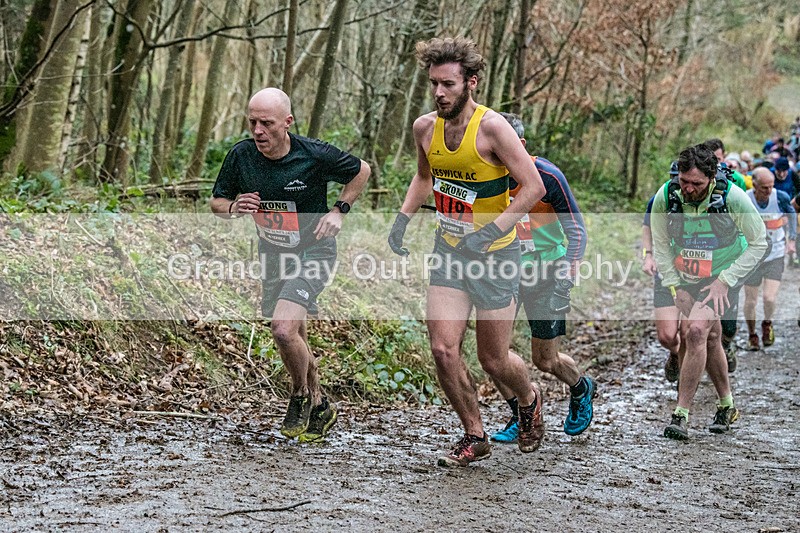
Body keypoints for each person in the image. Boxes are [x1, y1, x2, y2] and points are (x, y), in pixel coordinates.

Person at [387, 37, 547, 467]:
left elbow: (534, 187)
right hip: (450, 252)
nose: (439, 93)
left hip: (496, 255)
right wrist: (403, 218)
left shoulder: (495, 129)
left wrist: (492, 229)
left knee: (494, 359)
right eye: (434, 84)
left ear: (471, 83)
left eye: (448, 84)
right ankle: (474, 434)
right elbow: (424, 178)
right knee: (443, 348)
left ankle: (529, 397)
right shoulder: (425, 128)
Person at [210, 88, 371, 443]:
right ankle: (321, 404)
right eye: (252, 122)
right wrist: (235, 207)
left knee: (283, 329)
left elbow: (362, 170)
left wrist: (338, 211)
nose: (258, 131)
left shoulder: (312, 154)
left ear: (287, 122)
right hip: (273, 256)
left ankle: (298, 395)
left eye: (266, 123)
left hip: (315, 251)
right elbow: (217, 202)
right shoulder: (241, 155)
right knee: (294, 337)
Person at [489, 112, 594, 444]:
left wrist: (566, 277)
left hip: (547, 272)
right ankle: (522, 414)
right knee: (493, 354)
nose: (492, 157)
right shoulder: (484, 176)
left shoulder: (547, 176)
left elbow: (576, 231)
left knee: (544, 359)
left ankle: (580, 388)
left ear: (519, 145)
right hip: (503, 271)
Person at [651, 143, 767, 440]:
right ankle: (727, 405)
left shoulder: (734, 198)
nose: (688, 189)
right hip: (684, 272)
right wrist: (675, 287)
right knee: (712, 338)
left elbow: (759, 243)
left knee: (696, 331)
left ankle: (681, 414)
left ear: (712, 177)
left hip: (722, 273)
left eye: (696, 184)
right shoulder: (666, 196)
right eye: (683, 181)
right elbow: (661, 245)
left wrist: (725, 280)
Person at [743, 168, 797, 350]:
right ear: (755, 185)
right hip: (752, 257)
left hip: (775, 254)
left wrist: (791, 239)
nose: (769, 191)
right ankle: (752, 335)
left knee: (769, 298)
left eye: (771, 186)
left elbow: (792, 214)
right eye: (764, 187)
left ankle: (767, 323)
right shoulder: (745, 199)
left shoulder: (779, 197)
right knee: (751, 301)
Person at [642, 162, 683, 383]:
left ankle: (686, 386)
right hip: (666, 270)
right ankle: (676, 353)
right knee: (667, 336)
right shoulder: (660, 197)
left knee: (690, 332)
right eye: (674, 177)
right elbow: (647, 226)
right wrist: (648, 254)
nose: (678, 183)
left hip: (696, 273)